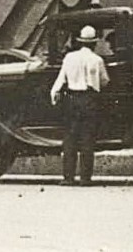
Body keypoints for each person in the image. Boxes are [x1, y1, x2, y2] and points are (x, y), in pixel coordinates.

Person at [50, 25, 109, 186]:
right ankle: (85, 178)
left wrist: (54, 94)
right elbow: (104, 81)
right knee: (87, 139)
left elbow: (61, 79)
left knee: (70, 138)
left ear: (81, 42)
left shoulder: (69, 57)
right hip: (89, 99)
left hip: (72, 98)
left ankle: (68, 177)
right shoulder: (97, 60)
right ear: (94, 43)